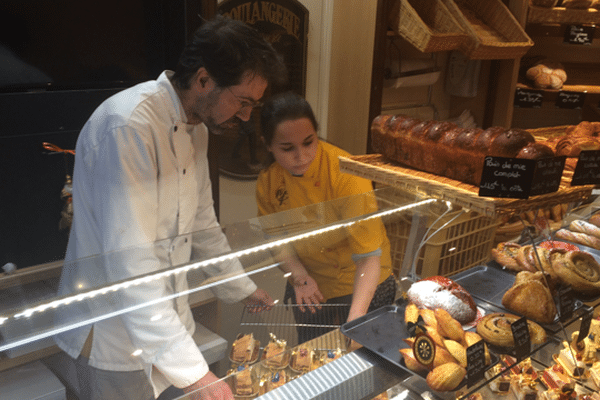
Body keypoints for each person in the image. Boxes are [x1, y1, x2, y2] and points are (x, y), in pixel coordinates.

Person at [53, 16, 287, 400]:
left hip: (162, 321)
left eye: (253, 105)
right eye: (242, 102)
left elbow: (203, 225)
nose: (246, 116)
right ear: (204, 79)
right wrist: (197, 376)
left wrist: (242, 287)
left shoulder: (196, 129)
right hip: (112, 333)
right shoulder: (129, 125)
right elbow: (133, 265)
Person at [255, 91, 397, 344]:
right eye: (287, 148)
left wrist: (356, 319)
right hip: (309, 285)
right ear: (268, 144)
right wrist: (299, 277)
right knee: (312, 358)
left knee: (360, 360)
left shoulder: (346, 173)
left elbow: (368, 258)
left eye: (309, 142)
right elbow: (275, 238)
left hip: (362, 284)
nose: (301, 156)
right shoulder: (269, 181)